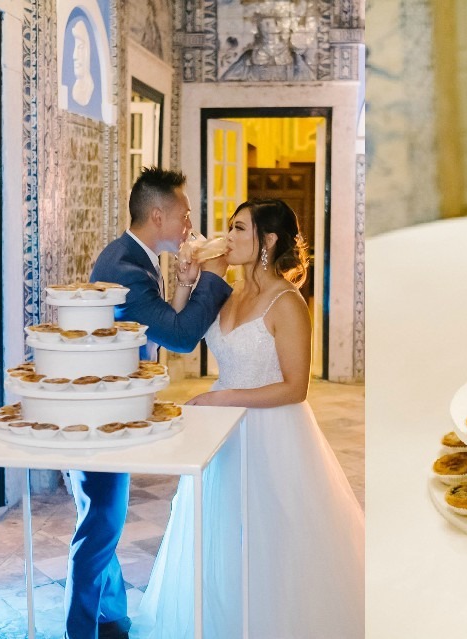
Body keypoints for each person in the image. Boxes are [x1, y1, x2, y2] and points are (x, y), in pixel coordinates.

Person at [135, 199, 364, 638]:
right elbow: (181, 334)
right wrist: (185, 284)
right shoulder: (227, 292)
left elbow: (296, 388)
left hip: (271, 433)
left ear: (268, 240)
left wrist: (225, 399)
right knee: (218, 536)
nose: (229, 236)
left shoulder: (287, 303)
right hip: (222, 435)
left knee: (269, 537)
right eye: (230, 227)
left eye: (240, 229)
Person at [65, 167, 231, 639]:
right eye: (184, 215)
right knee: (100, 525)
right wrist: (214, 279)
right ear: (158, 214)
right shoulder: (126, 271)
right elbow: (178, 337)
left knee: (100, 518)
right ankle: (81, 631)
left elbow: (159, 323)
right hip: (98, 414)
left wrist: (185, 282)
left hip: (107, 405)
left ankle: (111, 615)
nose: (189, 226)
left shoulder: (133, 259)